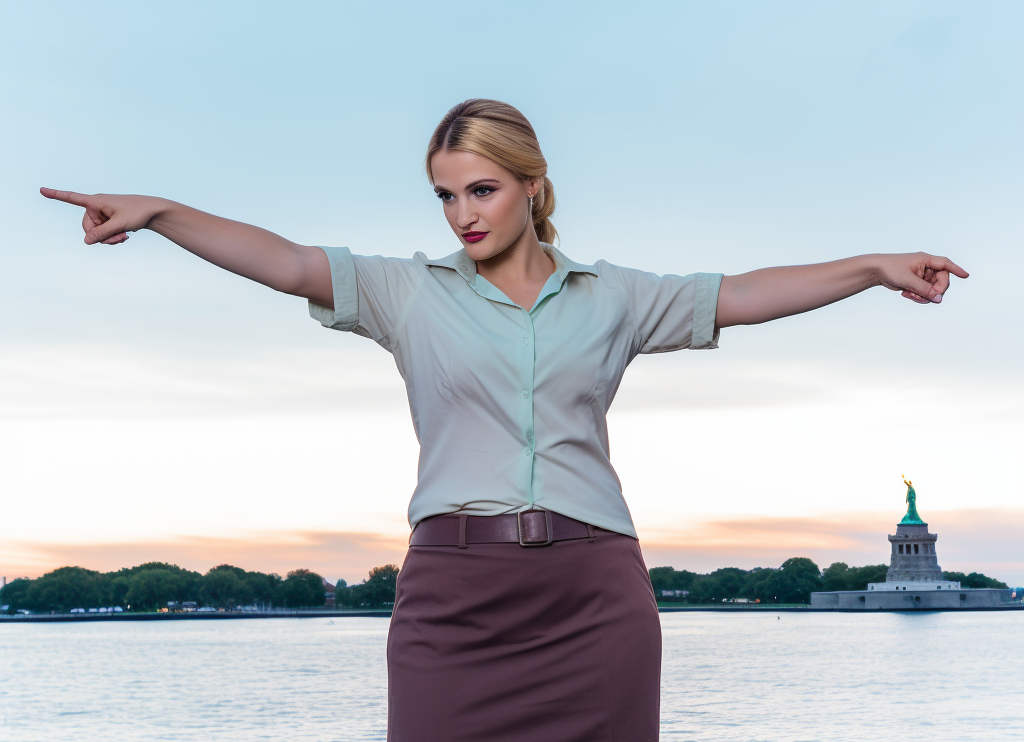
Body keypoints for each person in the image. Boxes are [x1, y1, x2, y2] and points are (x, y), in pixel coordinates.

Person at [41, 98, 968, 741]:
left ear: (530, 185)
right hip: (454, 600)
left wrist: (872, 266)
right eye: (445, 195)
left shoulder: (613, 299)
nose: (461, 214)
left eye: (479, 190)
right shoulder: (406, 292)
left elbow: (747, 293)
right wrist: (159, 211)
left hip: (594, 597)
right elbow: (284, 262)